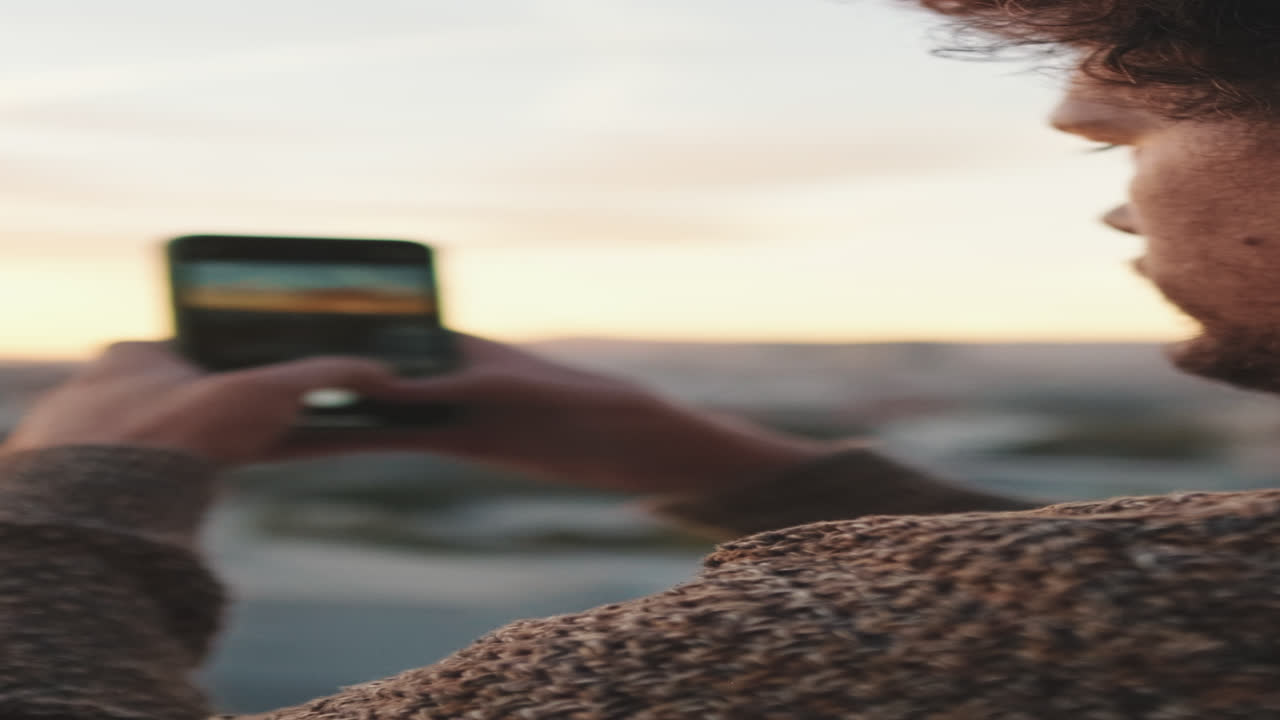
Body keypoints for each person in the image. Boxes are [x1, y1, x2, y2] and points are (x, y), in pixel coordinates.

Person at [4, 0, 1280, 716]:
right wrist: (729, 468)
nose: (1074, 114)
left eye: (1121, 117)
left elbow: (1088, 623)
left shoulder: (814, 658)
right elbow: (1142, 616)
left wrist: (65, 520)